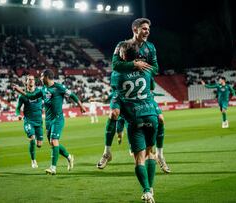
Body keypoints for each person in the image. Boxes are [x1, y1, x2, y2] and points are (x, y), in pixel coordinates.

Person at [97, 17, 170, 174]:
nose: (147, 31)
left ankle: (160, 155)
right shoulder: (122, 45)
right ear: (135, 29)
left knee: (161, 119)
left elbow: (156, 68)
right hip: (122, 90)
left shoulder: (150, 48)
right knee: (113, 114)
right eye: (144, 28)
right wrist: (134, 64)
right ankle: (107, 152)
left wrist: (142, 68)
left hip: (142, 91)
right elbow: (115, 65)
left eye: (148, 29)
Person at [13, 69, 86, 175]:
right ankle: (69, 157)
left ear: (46, 77)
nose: (40, 78)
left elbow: (72, 95)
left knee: (54, 141)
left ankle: (53, 168)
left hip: (58, 119)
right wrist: (19, 91)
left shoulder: (58, 87)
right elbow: (31, 96)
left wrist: (81, 106)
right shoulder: (43, 89)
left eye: (41, 76)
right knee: (53, 144)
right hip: (48, 121)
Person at [113, 40, 158, 202]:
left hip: (135, 118)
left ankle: (146, 190)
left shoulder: (117, 74)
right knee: (151, 153)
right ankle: (151, 187)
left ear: (123, 55)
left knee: (139, 158)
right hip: (151, 115)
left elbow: (116, 94)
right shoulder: (146, 70)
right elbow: (152, 86)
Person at [15, 74, 43, 168]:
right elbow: (18, 108)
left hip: (39, 121)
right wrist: (18, 114)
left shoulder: (39, 92)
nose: (31, 81)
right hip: (29, 120)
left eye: (32, 79)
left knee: (39, 145)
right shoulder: (22, 96)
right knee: (32, 138)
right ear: (26, 82)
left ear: (35, 81)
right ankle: (33, 160)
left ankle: (35, 145)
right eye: (29, 79)